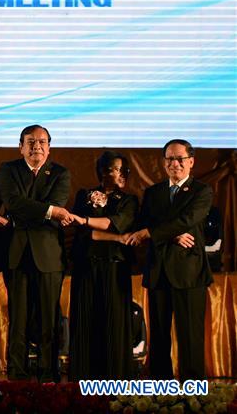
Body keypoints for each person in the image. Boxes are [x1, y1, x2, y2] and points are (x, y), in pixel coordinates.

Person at [126, 139, 212, 380]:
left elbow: (188, 219)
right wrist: (172, 236)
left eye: (180, 159)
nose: (175, 163)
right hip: (159, 270)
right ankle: (160, 388)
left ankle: (193, 391)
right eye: (170, 159)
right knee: (160, 336)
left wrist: (154, 232)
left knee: (190, 336)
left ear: (191, 162)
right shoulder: (154, 192)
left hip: (189, 272)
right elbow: (144, 223)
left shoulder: (202, 191)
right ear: (164, 163)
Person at [0, 124, 72, 382]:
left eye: (42, 142)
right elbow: (12, 203)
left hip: (49, 256)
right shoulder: (9, 170)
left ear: (49, 147)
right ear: (21, 147)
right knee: (18, 319)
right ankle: (16, 376)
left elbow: (53, 203)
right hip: (17, 254)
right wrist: (49, 212)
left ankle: (48, 374)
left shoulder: (60, 174)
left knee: (48, 320)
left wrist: (25, 213)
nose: (36, 146)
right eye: (30, 142)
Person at [67, 151, 138, 380]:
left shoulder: (129, 201)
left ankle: (115, 383)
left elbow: (115, 224)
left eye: (119, 170)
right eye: (109, 169)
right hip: (86, 267)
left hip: (115, 268)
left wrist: (89, 221)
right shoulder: (84, 195)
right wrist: (114, 236)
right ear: (101, 172)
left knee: (114, 327)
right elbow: (85, 236)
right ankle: (82, 384)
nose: (114, 174)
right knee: (85, 325)